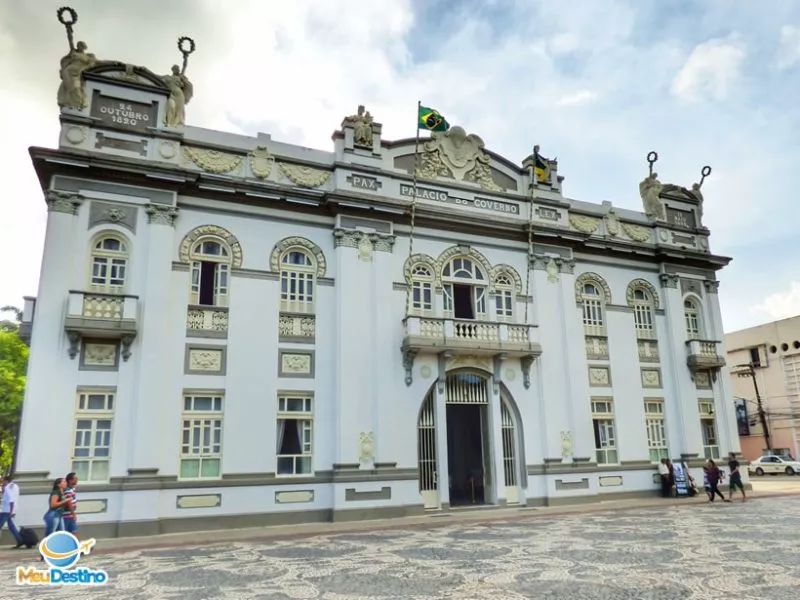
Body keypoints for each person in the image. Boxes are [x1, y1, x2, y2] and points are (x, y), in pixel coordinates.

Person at [0, 475, 23, 548]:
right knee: (11, 526)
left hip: (6, 510)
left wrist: (10, 511)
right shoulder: (16, 486)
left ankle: (20, 540)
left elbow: (10, 500)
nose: (2, 482)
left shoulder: (7, 488)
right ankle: (20, 540)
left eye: (3, 481)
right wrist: (13, 511)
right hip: (12, 509)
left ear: (6, 481)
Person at [62, 472, 79, 536]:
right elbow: (69, 503)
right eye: (76, 478)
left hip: (69, 515)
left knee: (73, 533)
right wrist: (73, 513)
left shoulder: (71, 489)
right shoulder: (67, 490)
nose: (77, 480)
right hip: (67, 516)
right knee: (72, 533)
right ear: (70, 480)